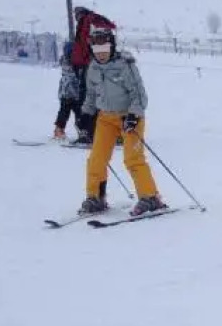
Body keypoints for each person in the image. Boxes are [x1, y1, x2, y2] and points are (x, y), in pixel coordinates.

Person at [77, 27, 167, 218]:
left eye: (104, 50)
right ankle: (95, 197)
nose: (101, 55)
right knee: (96, 159)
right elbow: (91, 96)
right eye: (97, 51)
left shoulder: (125, 65)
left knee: (132, 158)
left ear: (111, 47)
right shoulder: (92, 68)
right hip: (106, 119)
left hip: (129, 118)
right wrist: (86, 114)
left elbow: (140, 96)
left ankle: (150, 196)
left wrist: (133, 115)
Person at [53, 42, 96, 142]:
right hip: (71, 92)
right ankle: (62, 130)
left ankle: (80, 131)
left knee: (72, 112)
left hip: (71, 92)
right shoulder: (72, 62)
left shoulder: (74, 62)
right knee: (67, 112)